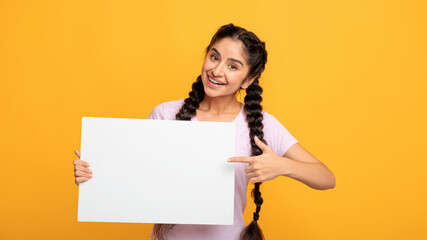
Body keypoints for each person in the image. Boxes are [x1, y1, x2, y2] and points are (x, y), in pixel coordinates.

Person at [73, 23, 336, 240]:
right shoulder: (164, 114)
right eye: (214, 56)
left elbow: (327, 178)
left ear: (248, 79)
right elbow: (136, 179)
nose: (217, 70)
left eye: (233, 66)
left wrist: (282, 166)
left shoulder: (261, 124)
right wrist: (94, 175)